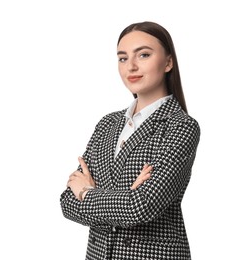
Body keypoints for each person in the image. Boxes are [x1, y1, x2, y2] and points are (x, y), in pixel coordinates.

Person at [60, 21, 200, 260]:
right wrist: (123, 198)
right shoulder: (107, 124)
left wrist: (86, 192)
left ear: (168, 62)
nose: (131, 66)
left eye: (143, 55)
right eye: (122, 58)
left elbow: (142, 206)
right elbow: (67, 202)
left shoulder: (181, 126)